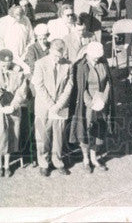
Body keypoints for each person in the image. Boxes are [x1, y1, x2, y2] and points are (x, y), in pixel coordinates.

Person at [31, 38, 74, 176]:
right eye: (55, 56)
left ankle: (57, 161)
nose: (57, 59)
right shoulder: (40, 64)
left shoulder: (68, 65)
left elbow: (69, 86)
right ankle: (43, 162)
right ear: (50, 50)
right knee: (43, 136)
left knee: (59, 136)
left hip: (61, 106)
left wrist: (59, 104)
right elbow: (39, 85)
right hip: (44, 106)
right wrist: (51, 105)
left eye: (60, 57)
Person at [70, 41, 113, 173]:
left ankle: (94, 158)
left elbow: (108, 83)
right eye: (95, 56)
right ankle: (86, 159)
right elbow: (81, 88)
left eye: (99, 56)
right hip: (88, 105)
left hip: (101, 103)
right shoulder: (81, 66)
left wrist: (104, 100)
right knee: (86, 131)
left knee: (98, 130)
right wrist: (91, 103)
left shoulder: (103, 63)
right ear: (88, 53)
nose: (97, 58)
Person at [0, 48, 26, 176]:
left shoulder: (18, 71)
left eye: (8, 64)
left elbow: (21, 92)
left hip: (12, 108)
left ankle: (7, 165)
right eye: (3, 64)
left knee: (10, 135)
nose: (6, 67)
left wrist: (13, 106)